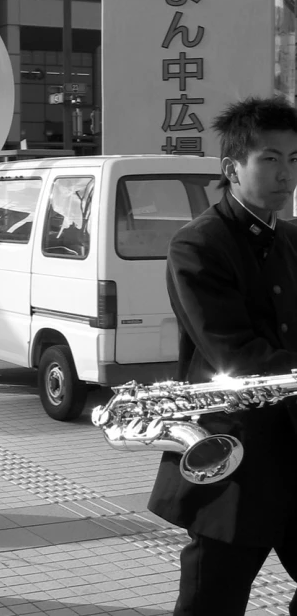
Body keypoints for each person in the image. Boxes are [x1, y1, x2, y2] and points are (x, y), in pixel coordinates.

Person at [148, 96, 297, 615]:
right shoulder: (198, 245)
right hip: (235, 455)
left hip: (296, 449)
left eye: (294, 159)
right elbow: (236, 351)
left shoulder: (292, 240)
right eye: (271, 159)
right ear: (232, 168)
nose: (286, 174)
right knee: (211, 602)